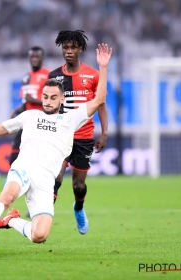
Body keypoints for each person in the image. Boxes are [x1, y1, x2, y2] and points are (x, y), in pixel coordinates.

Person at [0, 44, 112, 244]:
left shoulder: (71, 119)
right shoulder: (29, 115)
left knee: (39, 235)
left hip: (45, 182)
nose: (48, 101)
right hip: (23, 168)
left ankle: (11, 221)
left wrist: (103, 68)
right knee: (7, 196)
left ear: (62, 99)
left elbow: (99, 99)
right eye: (45, 97)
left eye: (53, 98)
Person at [45, 30, 109, 235]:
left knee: (79, 186)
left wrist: (104, 132)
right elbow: (48, 106)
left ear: (80, 48)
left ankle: (79, 208)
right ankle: (44, 220)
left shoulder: (92, 75)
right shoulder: (54, 76)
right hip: (60, 136)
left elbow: (101, 105)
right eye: (66, 47)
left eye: (73, 47)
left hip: (84, 138)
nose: (69, 51)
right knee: (55, 179)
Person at [9, 46, 50, 165]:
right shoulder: (26, 77)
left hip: (41, 124)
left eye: (38, 56)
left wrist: (34, 100)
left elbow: (55, 102)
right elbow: (25, 101)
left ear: (43, 58)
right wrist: (18, 109)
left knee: (37, 161)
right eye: (32, 56)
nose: (35, 59)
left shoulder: (49, 75)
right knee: (14, 159)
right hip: (26, 122)